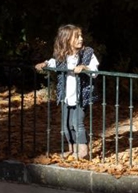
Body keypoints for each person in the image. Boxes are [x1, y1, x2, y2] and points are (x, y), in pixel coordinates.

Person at [35, 24, 99, 159]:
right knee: (66, 124)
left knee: (78, 123)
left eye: (81, 36)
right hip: (66, 95)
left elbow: (94, 70)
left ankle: (83, 151)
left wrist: (84, 67)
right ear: (66, 40)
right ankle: (72, 148)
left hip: (81, 95)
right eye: (76, 37)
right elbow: (53, 62)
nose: (81, 39)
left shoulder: (87, 53)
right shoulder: (62, 55)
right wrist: (44, 64)